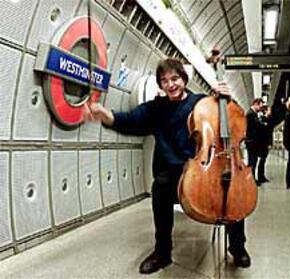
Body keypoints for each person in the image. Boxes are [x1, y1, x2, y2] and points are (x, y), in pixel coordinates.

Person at [83, 58, 251, 274]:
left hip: (204, 173)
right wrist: (104, 115)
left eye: (175, 79)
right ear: (160, 85)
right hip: (171, 175)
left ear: (184, 79)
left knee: (231, 192)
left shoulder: (202, 103)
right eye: (164, 81)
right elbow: (129, 120)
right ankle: (162, 253)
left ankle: (237, 247)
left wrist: (226, 99)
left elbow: (230, 120)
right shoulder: (156, 108)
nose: (170, 85)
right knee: (159, 191)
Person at [245, 98, 265, 185]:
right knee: (252, 161)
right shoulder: (251, 114)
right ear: (256, 104)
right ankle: (251, 180)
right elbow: (258, 126)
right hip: (252, 142)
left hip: (253, 142)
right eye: (260, 106)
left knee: (253, 161)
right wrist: (263, 124)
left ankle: (252, 178)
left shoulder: (253, 114)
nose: (261, 108)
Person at [256, 105, 273, 183]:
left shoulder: (268, 120)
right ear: (265, 111)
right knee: (262, 160)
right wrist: (268, 143)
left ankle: (262, 176)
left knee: (263, 160)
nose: (270, 112)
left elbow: (270, 133)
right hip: (263, 143)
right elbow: (265, 133)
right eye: (269, 110)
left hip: (265, 143)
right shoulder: (262, 120)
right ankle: (260, 176)